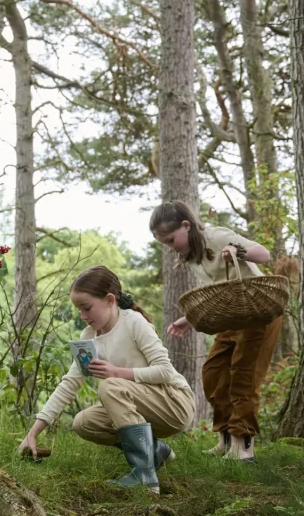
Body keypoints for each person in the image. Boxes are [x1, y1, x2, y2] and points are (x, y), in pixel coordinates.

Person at [18, 267, 194, 493]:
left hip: (175, 404)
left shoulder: (134, 323)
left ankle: (144, 476)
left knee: (111, 385)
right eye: (79, 309)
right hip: (142, 408)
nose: (83, 315)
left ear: (110, 300)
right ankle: (156, 452)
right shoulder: (89, 337)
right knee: (83, 422)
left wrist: (117, 372)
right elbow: (69, 384)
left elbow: (165, 372)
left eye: (87, 307)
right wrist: (33, 433)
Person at [150, 201, 278, 462]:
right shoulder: (193, 255)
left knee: (243, 375)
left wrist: (238, 250)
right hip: (232, 316)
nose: (171, 247)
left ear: (186, 226)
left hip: (257, 311)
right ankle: (226, 439)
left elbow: (264, 255)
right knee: (213, 373)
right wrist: (188, 319)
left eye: (171, 240)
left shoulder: (217, 237)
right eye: (166, 244)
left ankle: (244, 448)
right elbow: (219, 291)